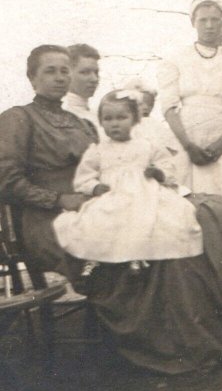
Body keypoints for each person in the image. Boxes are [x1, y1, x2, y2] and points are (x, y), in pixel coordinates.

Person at [0, 45, 222, 374]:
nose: (60, 77)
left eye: (65, 69)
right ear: (31, 77)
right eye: (50, 71)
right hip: (48, 218)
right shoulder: (18, 118)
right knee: (145, 240)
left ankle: (194, 328)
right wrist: (57, 200)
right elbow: (6, 181)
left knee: (186, 222)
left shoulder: (82, 124)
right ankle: (165, 342)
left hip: (98, 205)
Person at [53, 91, 203, 272]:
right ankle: (99, 257)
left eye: (121, 117)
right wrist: (95, 187)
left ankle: (139, 257)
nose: (115, 123)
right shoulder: (98, 150)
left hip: (145, 193)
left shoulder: (147, 145)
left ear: (135, 120)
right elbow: (84, 177)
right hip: (113, 194)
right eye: (108, 119)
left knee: (167, 214)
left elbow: (168, 166)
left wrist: (158, 173)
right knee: (101, 217)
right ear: (100, 122)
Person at [158, 0, 222, 226]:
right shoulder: (176, 59)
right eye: (203, 20)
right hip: (187, 140)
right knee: (188, 207)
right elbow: (169, 107)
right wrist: (189, 146)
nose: (209, 26)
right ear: (193, 22)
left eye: (214, 20)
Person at [63, 43, 100, 130]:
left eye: (96, 72)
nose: (94, 79)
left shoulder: (98, 114)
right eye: (85, 72)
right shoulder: (62, 115)